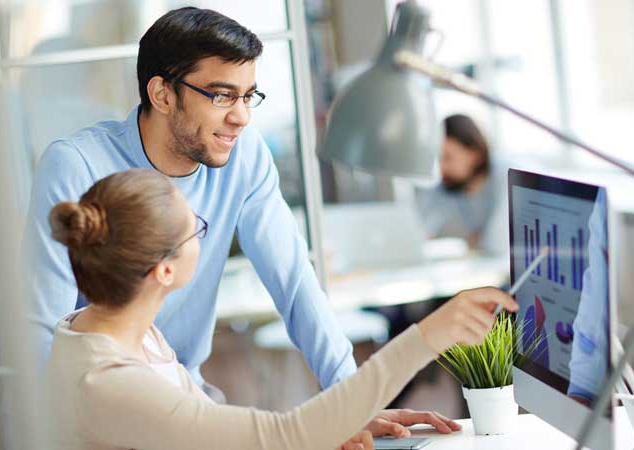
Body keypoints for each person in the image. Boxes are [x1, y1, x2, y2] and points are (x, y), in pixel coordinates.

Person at [24, 7, 456, 436]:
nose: (242, 116)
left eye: (248, 95)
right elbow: (48, 327)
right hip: (107, 408)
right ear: (162, 94)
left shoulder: (243, 156)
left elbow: (293, 281)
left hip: (185, 390)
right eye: (222, 95)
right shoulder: (77, 165)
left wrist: (349, 395)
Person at [44, 168, 519, 450]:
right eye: (197, 230)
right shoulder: (106, 379)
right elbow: (282, 436)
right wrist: (428, 336)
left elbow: (222, 430)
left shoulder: (122, 334)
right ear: (163, 271)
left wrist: (334, 420)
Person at [415, 114, 499, 249]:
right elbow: (420, 228)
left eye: (448, 158)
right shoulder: (449, 185)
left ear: (474, 154)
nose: (442, 168)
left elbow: (498, 245)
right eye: (439, 158)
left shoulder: (505, 175)